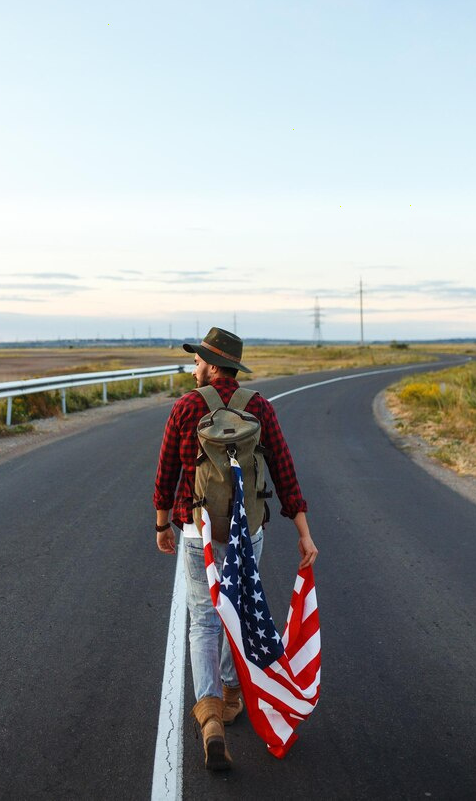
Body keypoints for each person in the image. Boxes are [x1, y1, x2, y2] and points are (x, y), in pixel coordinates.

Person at [153, 326, 318, 770]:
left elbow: (166, 472)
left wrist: (162, 524)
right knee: (238, 612)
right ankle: (230, 693)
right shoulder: (258, 407)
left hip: (199, 531)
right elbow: (284, 470)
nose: (193, 368)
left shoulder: (187, 407)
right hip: (248, 532)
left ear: (212, 366)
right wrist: (304, 532)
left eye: (197, 362)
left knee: (203, 621)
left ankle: (209, 716)